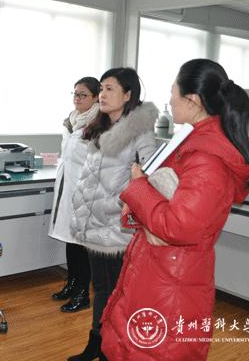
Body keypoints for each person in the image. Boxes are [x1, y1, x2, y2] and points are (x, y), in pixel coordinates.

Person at [100, 59, 249, 361]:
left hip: (171, 283)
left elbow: (179, 226)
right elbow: (161, 204)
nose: (170, 99)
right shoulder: (189, 145)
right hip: (156, 271)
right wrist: (140, 196)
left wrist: (139, 186)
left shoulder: (207, 160)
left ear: (193, 100)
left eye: (173, 91)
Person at [67, 68, 158, 361]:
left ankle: (111, 349)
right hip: (95, 223)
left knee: (117, 292)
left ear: (128, 95)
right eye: (102, 89)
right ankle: (96, 342)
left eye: (110, 89)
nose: (102, 95)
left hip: (119, 225)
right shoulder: (100, 126)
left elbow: (149, 177)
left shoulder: (140, 132)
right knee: (101, 288)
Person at [48, 77, 100, 313]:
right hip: (67, 186)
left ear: (96, 97)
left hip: (86, 191)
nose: (77, 98)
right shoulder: (71, 120)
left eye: (83, 95)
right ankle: (71, 284)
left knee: (82, 244)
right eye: (75, 94)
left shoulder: (99, 124)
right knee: (70, 239)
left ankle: (82, 293)